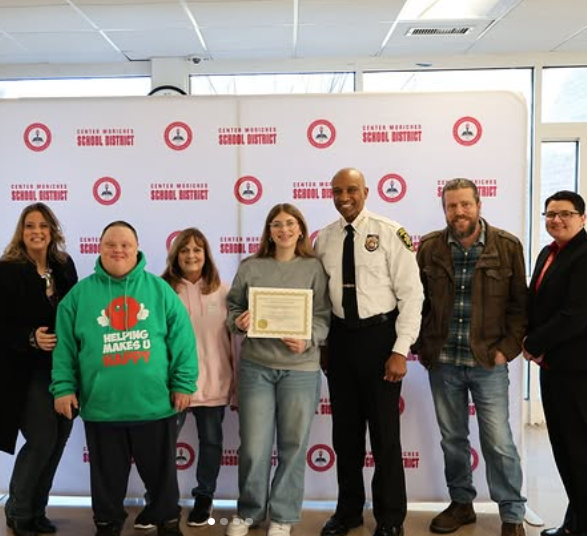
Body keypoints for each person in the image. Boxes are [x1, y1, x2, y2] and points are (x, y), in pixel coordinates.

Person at [51, 221, 198, 536]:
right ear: (99, 248)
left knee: (161, 476)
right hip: (102, 407)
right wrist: (63, 388)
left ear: (136, 249)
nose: (118, 250)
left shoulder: (159, 290)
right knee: (107, 478)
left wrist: (183, 383)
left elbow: (183, 341)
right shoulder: (78, 296)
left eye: (125, 245)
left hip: (154, 405)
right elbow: (64, 349)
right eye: (111, 244)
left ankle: (168, 522)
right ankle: (107, 524)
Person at [415, 179, 527, 536]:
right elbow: (416, 302)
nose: (459, 211)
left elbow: (520, 307)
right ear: (444, 209)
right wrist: (421, 345)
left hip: (488, 362)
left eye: (465, 204)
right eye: (451, 206)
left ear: (479, 205)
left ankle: (512, 514)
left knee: (498, 441)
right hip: (444, 362)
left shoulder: (507, 246)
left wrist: (506, 349)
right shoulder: (429, 247)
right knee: (453, 439)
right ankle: (461, 504)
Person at [314, 168, 423, 536]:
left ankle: (390, 519)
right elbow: (323, 298)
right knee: (345, 436)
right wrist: (325, 345)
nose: (344, 197)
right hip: (341, 341)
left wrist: (400, 350)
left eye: (352, 190)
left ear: (366, 191)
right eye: (337, 191)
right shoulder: (325, 238)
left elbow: (412, 296)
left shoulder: (390, 232)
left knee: (384, 437)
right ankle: (348, 512)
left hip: (380, 340)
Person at [0, 203, 79, 536]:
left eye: (43, 225)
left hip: (61, 369)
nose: (37, 231)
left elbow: (76, 311)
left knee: (59, 438)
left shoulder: (63, 266)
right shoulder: (6, 270)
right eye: (30, 225)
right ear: (21, 231)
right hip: (21, 372)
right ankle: (18, 511)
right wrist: (30, 337)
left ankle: (36, 510)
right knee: (42, 438)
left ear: (53, 231)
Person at [225, 203, 331, 536]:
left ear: (300, 230)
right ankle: (250, 512)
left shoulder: (314, 268)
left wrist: (309, 338)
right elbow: (232, 310)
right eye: (276, 224)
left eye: (289, 223)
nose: (283, 229)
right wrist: (240, 322)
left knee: (293, 445)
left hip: (301, 370)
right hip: (257, 367)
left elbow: (324, 316)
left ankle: (283, 515)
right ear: (269, 232)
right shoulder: (251, 267)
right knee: (253, 446)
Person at [523, 191, 587, 536]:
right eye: (550, 214)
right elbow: (537, 303)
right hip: (555, 370)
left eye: (565, 214)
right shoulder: (549, 252)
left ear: (583, 218)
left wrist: (532, 343)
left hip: (586, 373)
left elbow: (575, 316)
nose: (556, 220)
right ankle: (576, 525)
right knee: (566, 453)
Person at [161, 228, 234, 527]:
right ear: (175, 255)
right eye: (184, 250)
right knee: (163, 445)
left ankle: (204, 497)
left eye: (197, 249)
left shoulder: (223, 291)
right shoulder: (162, 290)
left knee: (211, 442)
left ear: (206, 255)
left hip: (215, 380)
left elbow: (235, 339)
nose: (191, 255)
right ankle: (161, 499)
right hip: (172, 385)